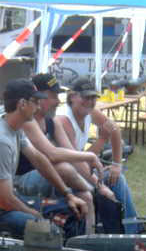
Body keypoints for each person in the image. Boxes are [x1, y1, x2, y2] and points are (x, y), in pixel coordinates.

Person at [0, 78, 87, 239]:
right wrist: (36, 215)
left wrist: (68, 194)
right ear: (22, 104)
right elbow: (5, 201)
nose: (38, 107)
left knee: (72, 210)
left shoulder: (14, 126)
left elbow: (38, 159)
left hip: (0, 199)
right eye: (35, 102)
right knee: (47, 231)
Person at [14, 73, 119, 232]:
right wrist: (92, 164)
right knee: (64, 168)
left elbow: (72, 155)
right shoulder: (28, 121)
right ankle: (100, 203)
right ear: (38, 97)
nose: (58, 101)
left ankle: (89, 239)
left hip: (48, 174)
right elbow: (53, 154)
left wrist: (100, 183)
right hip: (21, 180)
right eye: (53, 96)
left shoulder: (52, 122)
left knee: (86, 196)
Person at [54, 77, 140, 233]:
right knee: (108, 185)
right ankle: (126, 232)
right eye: (85, 97)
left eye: (93, 97)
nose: (90, 101)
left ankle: (130, 230)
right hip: (64, 175)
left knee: (116, 178)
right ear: (72, 97)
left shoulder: (90, 112)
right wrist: (100, 186)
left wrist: (116, 164)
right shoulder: (64, 120)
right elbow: (76, 161)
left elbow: (114, 129)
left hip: (79, 168)